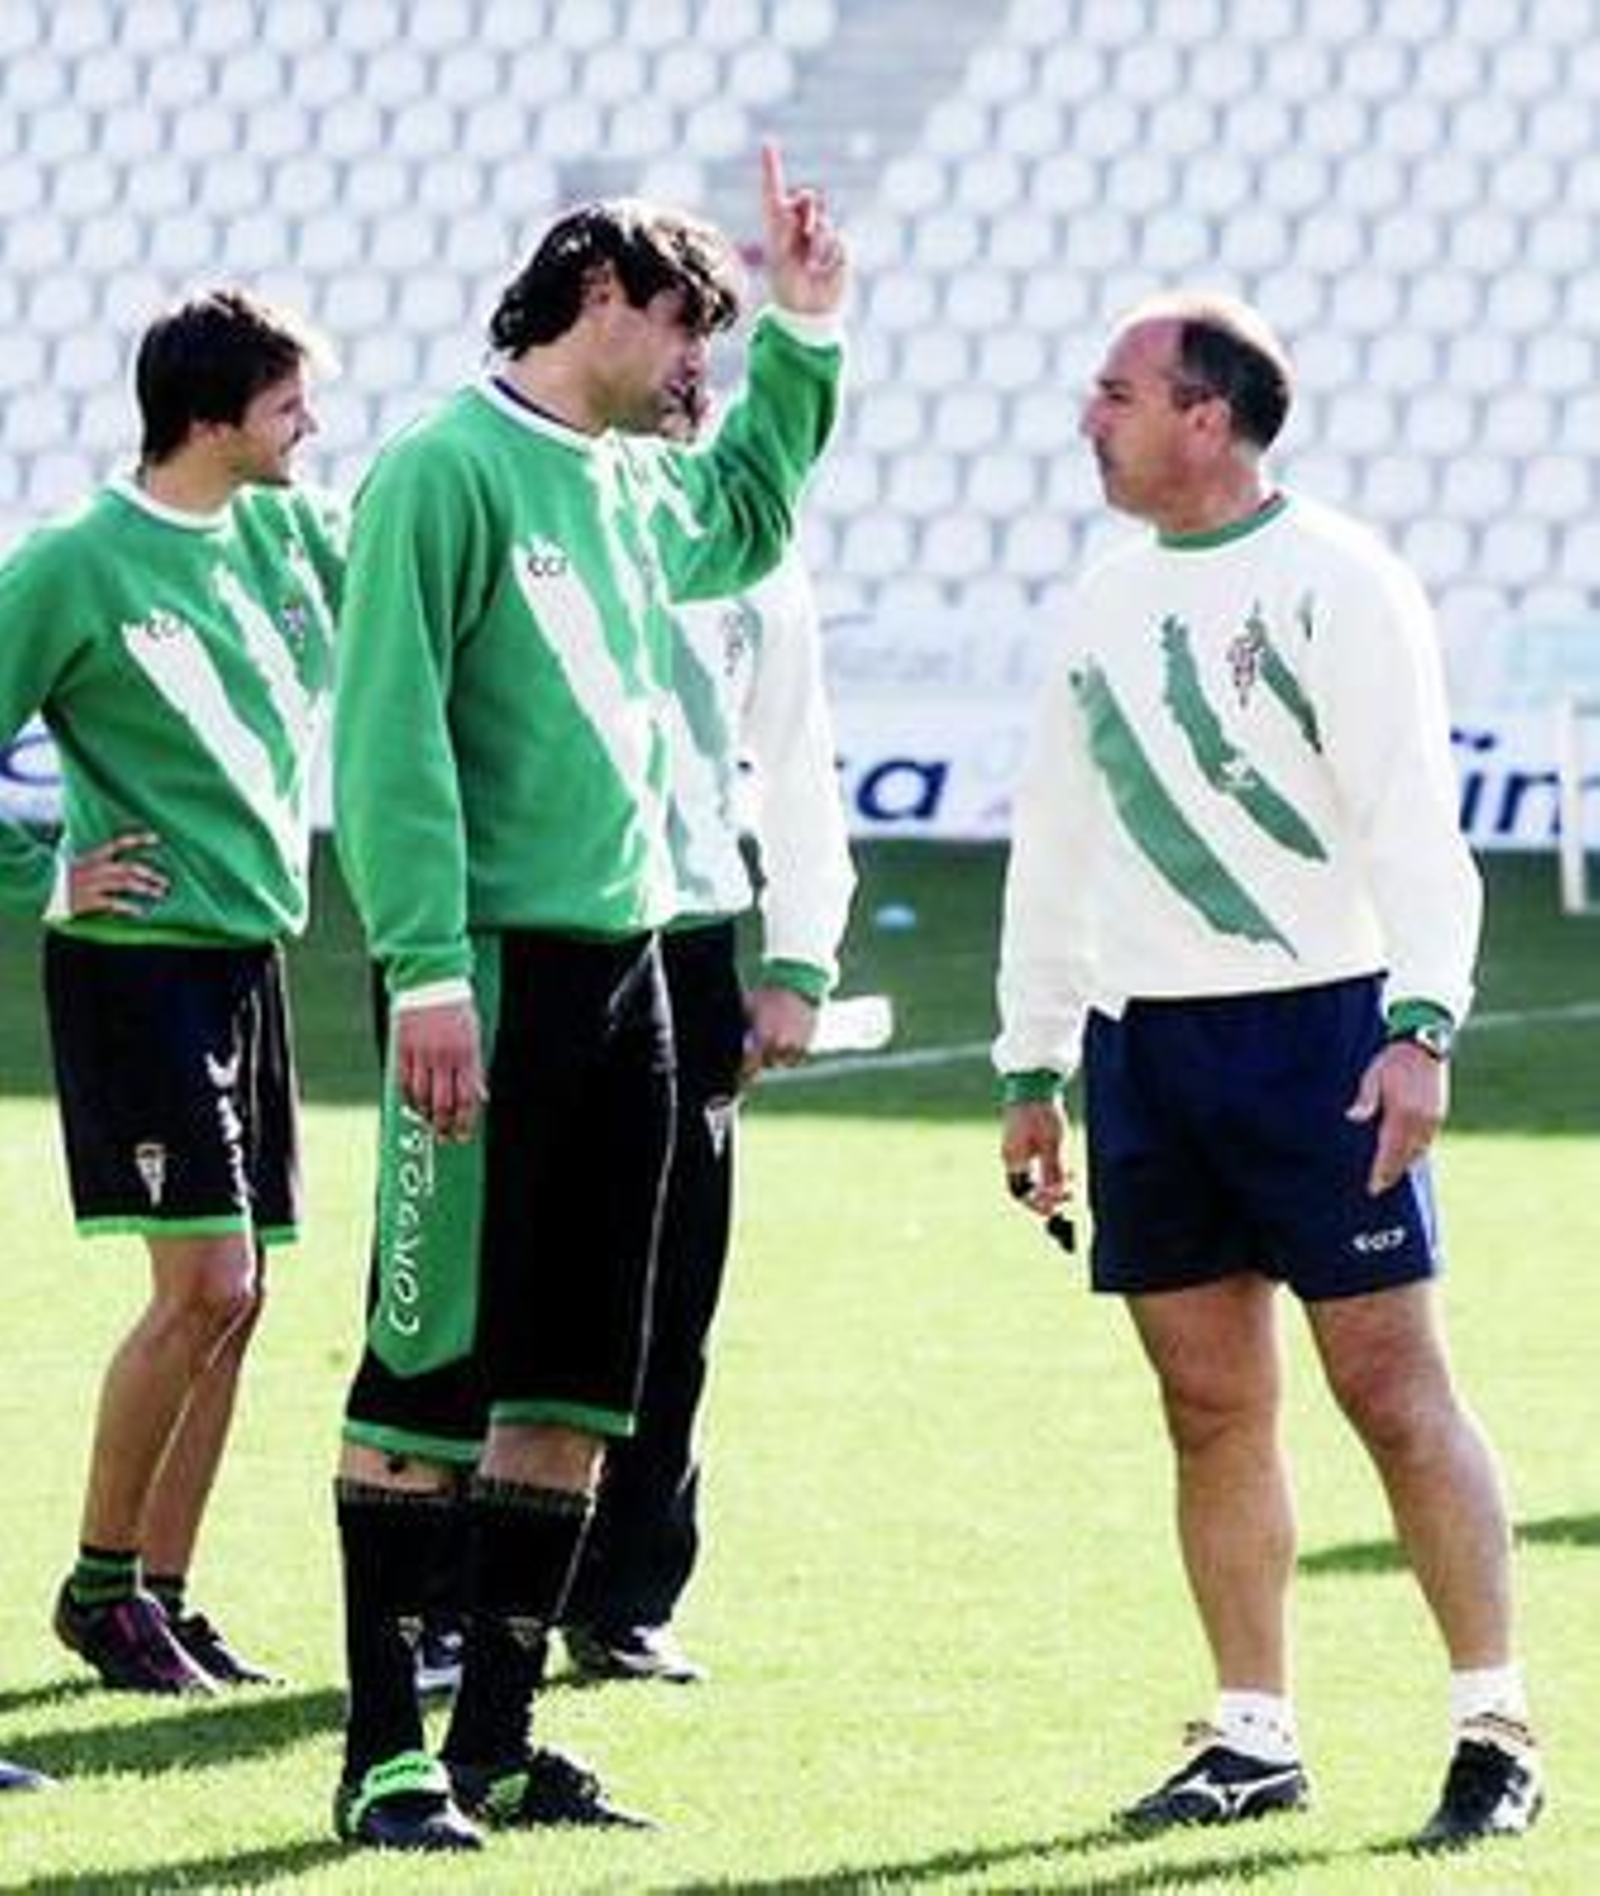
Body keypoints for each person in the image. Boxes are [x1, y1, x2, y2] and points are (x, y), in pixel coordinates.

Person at [330, 144, 846, 1854]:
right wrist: (419, 967)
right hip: (483, 971)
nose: (701, 361)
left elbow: (752, 516)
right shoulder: (441, 469)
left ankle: (494, 1738)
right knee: (427, 1362)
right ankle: (382, 1752)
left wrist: (808, 332)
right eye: (690, 326)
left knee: (575, 1381)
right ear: (602, 297)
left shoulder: (636, 486)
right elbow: (389, 738)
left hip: (632, 976)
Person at [994, 291, 1541, 1852]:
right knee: (1207, 1401)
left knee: (1391, 1388)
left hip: (1321, 1034)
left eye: (1116, 392)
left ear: (1206, 417)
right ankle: (1252, 1730)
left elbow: (1412, 827)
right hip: (1145, 1052)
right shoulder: (1099, 603)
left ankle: (1492, 1723)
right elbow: (1057, 843)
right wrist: (1034, 1061)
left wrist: (1422, 1026)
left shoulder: (1341, 581)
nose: (1089, 419)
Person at [0, 290, 341, 1700]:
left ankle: (163, 1592)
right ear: (209, 421)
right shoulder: (75, 562)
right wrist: (45, 877)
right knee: (209, 1281)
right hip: (136, 973)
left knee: (240, 1300)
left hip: (247, 955)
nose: (310, 427)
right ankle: (97, 1587)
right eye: (286, 406)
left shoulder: (286, 530)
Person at [560, 387, 856, 1685]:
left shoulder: (758, 561)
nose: (682, 387)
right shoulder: (544, 519)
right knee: (515, 1267)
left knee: (676, 1281)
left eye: (702, 365)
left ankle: (627, 1593)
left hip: (691, 937)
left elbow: (795, 764)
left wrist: (797, 960)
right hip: (549, 927)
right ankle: (461, 1590)